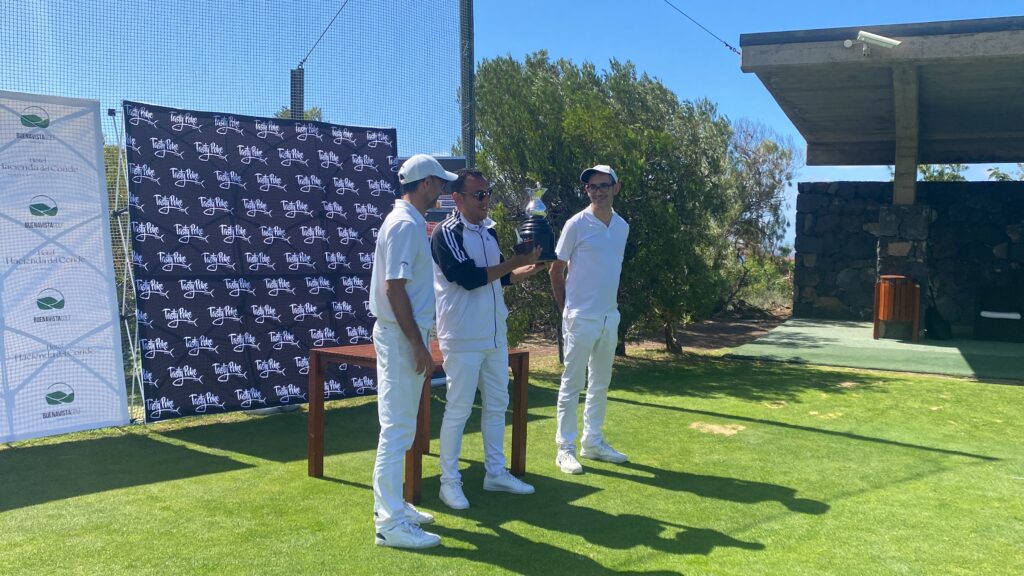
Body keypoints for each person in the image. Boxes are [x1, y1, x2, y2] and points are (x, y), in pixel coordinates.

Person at [431, 168, 546, 510]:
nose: (486, 201)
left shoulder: (489, 231)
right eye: (479, 195)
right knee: (459, 409)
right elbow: (467, 277)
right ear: (458, 198)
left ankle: (495, 472)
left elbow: (499, 277)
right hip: (463, 336)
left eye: (488, 193)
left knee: (497, 404)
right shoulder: (445, 232)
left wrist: (528, 269)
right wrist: (513, 262)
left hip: (495, 334)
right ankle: (448, 482)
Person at [369, 153, 456, 549]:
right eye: (439, 183)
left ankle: (395, 508)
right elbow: (394, 288)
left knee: (399, 426)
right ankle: (389, 524)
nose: (442, 189)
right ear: (425, 184)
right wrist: (418, 345)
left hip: (402, 333)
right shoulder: (404, 224)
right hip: (401, 336)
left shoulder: (407, 221)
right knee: (397, 429)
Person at [549, 164, 630, 475]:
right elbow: (556, 270)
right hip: (579, 317)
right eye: (591, 187)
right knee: (572, 383)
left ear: (615, 188)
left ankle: (593, 442)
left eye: (602, 185)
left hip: (610, 316)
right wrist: (566, 310)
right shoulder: (576, 224)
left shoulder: (622, 227)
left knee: (600, 383)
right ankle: (564, 449)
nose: (597, 191)